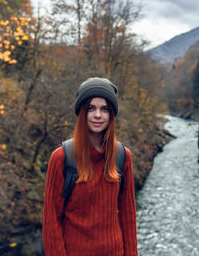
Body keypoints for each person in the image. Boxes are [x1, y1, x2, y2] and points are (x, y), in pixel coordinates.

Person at [42, 77, 138, 256]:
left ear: (111, 115)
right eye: (91, 108)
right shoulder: (62, 158)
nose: (98, 115)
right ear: (82, 113)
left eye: (105, 109)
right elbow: (51, 222)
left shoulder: (122, 157)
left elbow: (128, 216)